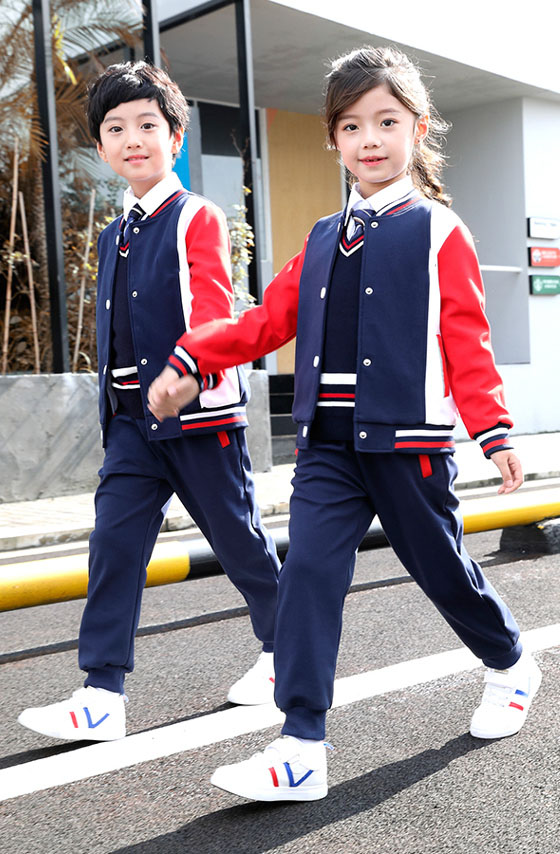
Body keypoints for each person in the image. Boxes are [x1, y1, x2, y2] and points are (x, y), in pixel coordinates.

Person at [147, 46, 542, 802]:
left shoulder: (438, 231)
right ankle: (300, 745)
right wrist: (193, 359)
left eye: (387, 121)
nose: (370, 138)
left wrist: (492, 430)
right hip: (327, 444)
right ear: (333, 138)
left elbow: (467, 339)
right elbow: (266, 322)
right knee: (308, 578)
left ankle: (510, 664)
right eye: (352, 124)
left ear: (418, 129)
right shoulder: (325, 236)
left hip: (409, 442)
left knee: (441, 572)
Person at [18, 61, 280, 743]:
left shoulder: (195, 216)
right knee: (113, 542)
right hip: (133, 422)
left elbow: (213, 303)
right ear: (102, 149)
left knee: (240, 542)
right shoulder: (113, 233)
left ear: (175, 137)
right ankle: (102, 693)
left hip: (199, 415)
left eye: (147, 125)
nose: (133, 138)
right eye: (115, 129)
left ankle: (290, 656)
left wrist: (192, 372)